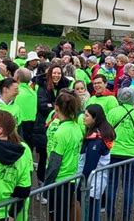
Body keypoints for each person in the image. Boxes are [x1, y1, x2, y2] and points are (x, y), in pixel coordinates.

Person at [106, 87, 134, 220]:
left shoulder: (112, 112)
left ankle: (110, 215)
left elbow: (107, 131)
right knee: (128, 185)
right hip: (132, 153)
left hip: (114, 152)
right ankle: (126, 216)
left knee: (111, 184)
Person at [44, 90, 83, 221]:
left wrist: (46, 185)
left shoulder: (60, 132)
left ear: (56, 108)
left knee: (57, 216)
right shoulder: (76, 127)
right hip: (72, 178)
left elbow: (54, 163)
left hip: (59, 181)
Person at [34, 64, 70, 187]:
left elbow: (67, 104)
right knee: (44, 156)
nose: (56, 75)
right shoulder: (42, 86)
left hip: (60, 126)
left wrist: (52, 105)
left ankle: (52, 183)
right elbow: (42, 106)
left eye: (59, 73)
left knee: (56, 157)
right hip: (44, 125)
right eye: (54, 73)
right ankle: (41, 183)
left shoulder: (65, 85)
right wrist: (57, 106)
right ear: (50, 74)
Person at [78, 104, 115, 221]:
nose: (83, 117)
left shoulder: (96, 140)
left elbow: (89, 165)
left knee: (90, 214)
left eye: (87, 115)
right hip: (95, 183)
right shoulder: (98, 133)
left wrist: (80, 187)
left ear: (95, 118)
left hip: (91, 185)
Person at [14, 68, 37, 149]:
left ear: (17, 78)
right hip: (31, 124)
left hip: (20, 125)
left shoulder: (16, 92)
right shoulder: (33, 92)